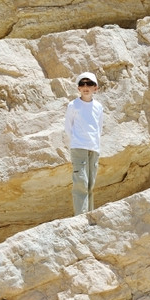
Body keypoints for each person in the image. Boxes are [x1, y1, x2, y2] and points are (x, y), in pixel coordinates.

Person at [64, 71, 103, 215]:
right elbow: (68, 127)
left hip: (93, 148)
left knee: (91, 184)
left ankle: (90, 215)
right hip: (78, 147)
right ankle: (80, 217)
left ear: (95, 88)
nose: (86, 87)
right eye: (82, 84)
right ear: (78, 88)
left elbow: (99, 127)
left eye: (89, 84)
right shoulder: (73, 105)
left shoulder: (98, 107)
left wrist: (95, 145)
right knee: (81, 183)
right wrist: (76, 140)